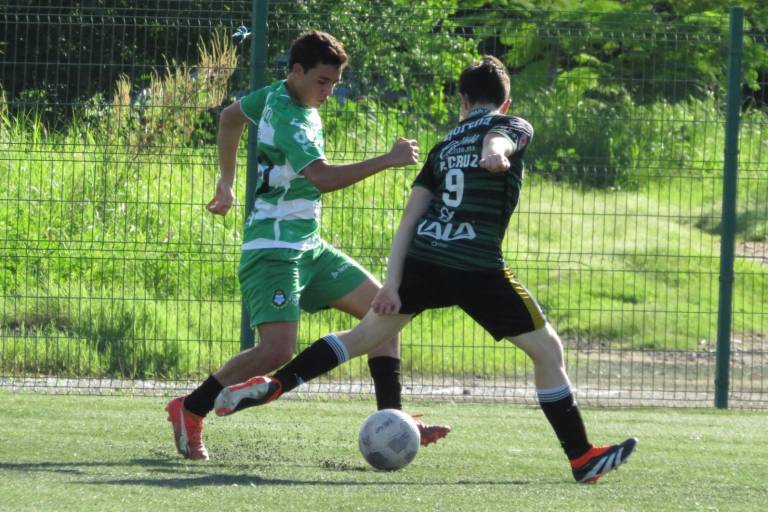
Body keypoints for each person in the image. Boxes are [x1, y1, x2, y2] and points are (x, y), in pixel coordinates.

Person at [211, 56, 638, 483]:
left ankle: (277, 384)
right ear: (505, 103)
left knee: (361, 338)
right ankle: (582, 457)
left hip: (422, 260)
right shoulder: (513, 125)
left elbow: (410, 217)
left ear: (463, 101)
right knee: (548, 351)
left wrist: (393, 284)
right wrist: (495, 154)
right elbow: (499, 141)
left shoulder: (446, 143)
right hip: (474, 266)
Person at [166, 30, 451, 461]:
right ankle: (191, 407)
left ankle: (393, 423)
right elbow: (323, 179)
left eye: (335, 83)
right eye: (322, 82)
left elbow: (228, 117)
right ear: (296, 71)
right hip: (273, 249)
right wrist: (388, 159)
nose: (329, 92)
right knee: (276, 351)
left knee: (384, 313)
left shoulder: (277, 94)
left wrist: (225, 181)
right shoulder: (289, 117)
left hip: (309, 246)